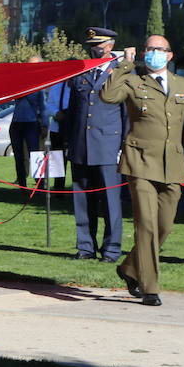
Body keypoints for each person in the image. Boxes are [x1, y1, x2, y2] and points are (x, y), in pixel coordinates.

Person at [100, 35, 184, 306]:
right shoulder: (133, 80)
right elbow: (107, 95)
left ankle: (129, 268)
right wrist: (125, 65)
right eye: (149, 49)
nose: (153, 53)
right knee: (146, 225)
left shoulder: (183, 85)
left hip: (172, 164)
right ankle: (150, 287)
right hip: (139, 161)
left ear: (169, 55)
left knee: (164, 226)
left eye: (159, 50)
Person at [62, 27, 126, 263]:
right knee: (82, 200)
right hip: (81, 144)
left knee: (110, 202)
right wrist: (68, 140)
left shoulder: (120, 72)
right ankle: (85, 247)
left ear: (109, 46)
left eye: (97, 45)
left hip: (108, 145)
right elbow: (73, 110)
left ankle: (111, 250)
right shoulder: (82, 72)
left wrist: (123, 146)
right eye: (91, 45)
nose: (93, 49)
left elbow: (125, 113)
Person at [9, 56, 45, 186]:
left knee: (35, 154)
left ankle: (40, 182)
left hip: (32, 122)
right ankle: (21, 182)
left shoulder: (42, 83)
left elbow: (43, 106)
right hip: (17, 122)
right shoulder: (21, 80)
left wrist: (44, 124)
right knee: (18, 156)